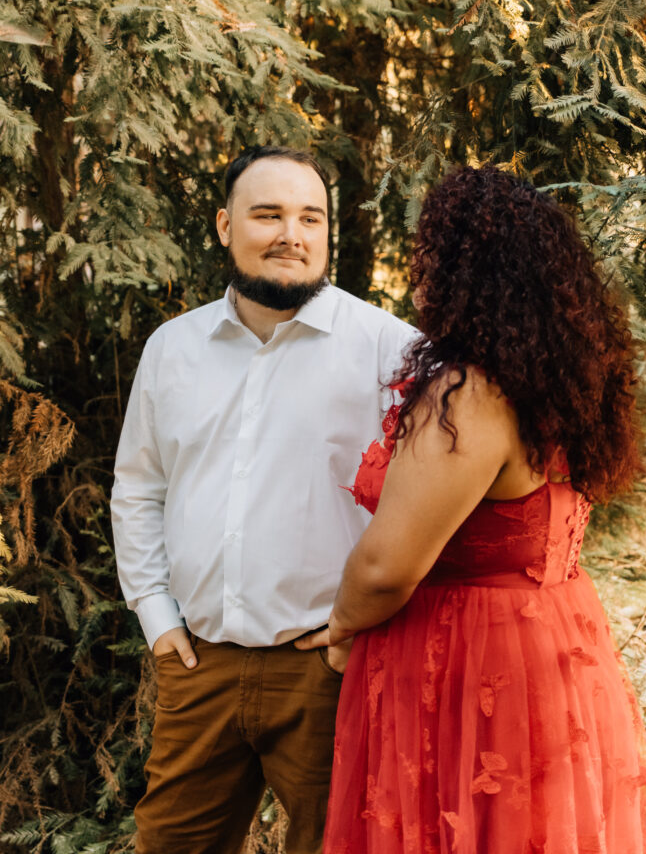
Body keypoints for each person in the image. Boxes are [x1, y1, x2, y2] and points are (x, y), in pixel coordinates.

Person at [297, 164, 646, 854]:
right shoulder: (566, 382)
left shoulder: (471, 394)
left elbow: (386, 566)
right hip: (557, 644)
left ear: (457, 271)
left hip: (467, 660)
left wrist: (342, 630)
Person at [110, 145, 417, 854]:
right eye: (268, 214)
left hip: (328, 673)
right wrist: (157, 619)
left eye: (311, 217)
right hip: (198, 670)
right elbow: (139, 487)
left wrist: (357, 633)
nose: (293, 234)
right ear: (224, 226)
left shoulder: (388, 350)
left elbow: (429, 510)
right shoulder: (172, 348)